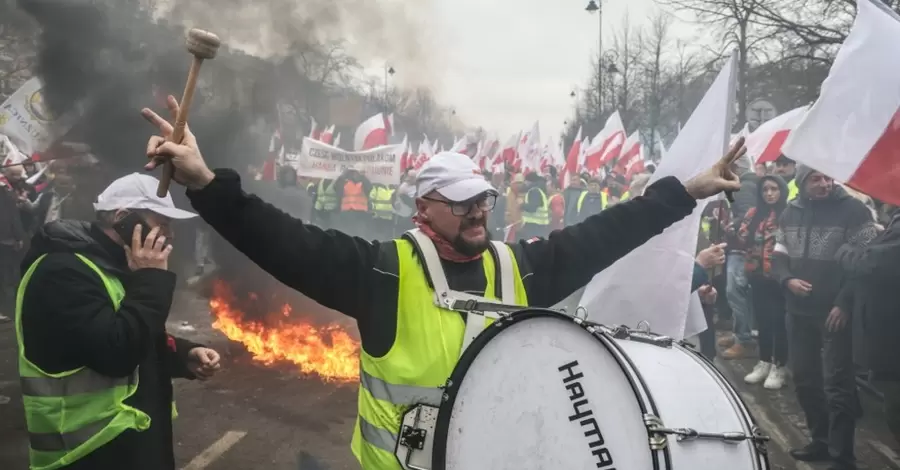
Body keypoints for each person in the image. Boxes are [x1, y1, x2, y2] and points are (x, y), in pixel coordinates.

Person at [141, 96, 744, 470]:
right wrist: (206, 182)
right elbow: (282, 240)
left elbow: (605, 234)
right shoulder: (381, 270)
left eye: (483, 198)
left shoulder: (517, 269)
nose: (479, 210)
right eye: (462, 203)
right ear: (424, 210)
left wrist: (684, 193)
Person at [14, 173, 223, 470]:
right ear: (124, 219)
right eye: (161, 223)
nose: (170, 235)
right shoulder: (62, 272)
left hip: (131, 445)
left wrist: (181, 354)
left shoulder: (113, 263)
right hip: (89, 452)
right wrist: (151, 279)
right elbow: (116, 352)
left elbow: (132, 327)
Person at [772, 165, 878, 470]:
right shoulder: (790, 213)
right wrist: (787, 280)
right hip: (798, 311)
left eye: (828, 177)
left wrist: (844, 303)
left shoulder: (854, 211)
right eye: (816, 178)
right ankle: (820, 441)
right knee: (805, 379)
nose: (824, 183)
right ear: (802, 183)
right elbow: (778, 257)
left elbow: (864, 262)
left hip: (834, 313)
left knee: (838, 384)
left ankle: (842, 456)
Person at [835, 206, 900, 450]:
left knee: (895, 405)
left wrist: (845, 251)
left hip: (893, 335)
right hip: (887, 331)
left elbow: (874, 262)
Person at [733, 175, 789, 387]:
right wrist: (737, 229)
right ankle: (764, 361)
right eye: (765, 190)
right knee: (763, 322)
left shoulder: (789, 213)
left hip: (780, 277)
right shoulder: (754, 213)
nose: (769, 194)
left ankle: (779, 366)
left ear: (781, 190)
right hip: (757, 275)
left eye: (774, 189)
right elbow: (743, 238)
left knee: (778, 323)